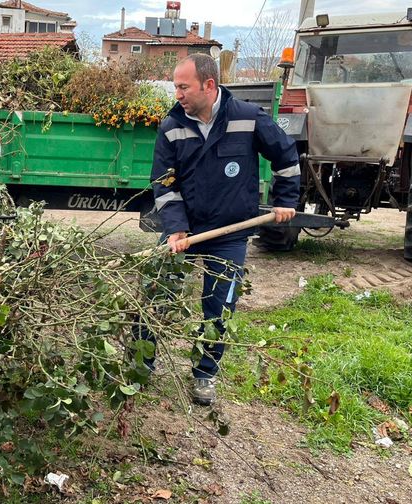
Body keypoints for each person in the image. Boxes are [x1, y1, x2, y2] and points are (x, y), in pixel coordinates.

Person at [145, 54, 300, 406]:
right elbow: (163, 184)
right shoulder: (172, 127)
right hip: (184, 231)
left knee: (219, 308)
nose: (178, 93)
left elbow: (286, 156)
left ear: (209, 85)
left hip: (230, 232)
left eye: (183, 86)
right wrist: (175, 228)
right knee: (156, 294)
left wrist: (286, 198)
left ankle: (205, 375)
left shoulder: (247, 118)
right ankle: (141, 364)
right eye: (176, 87)